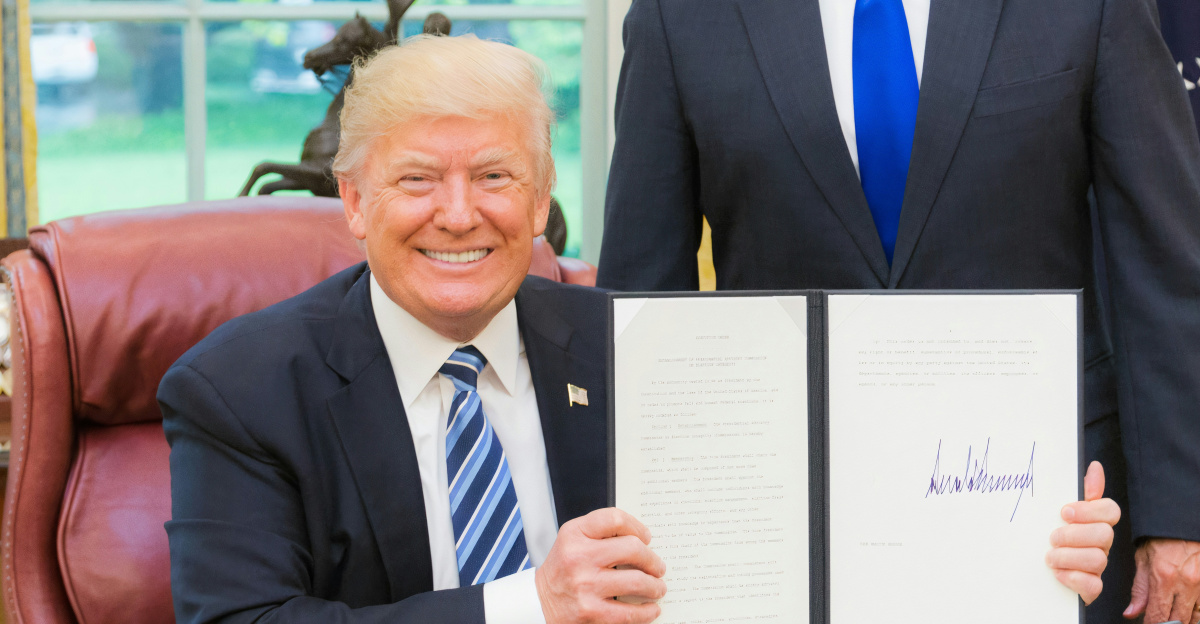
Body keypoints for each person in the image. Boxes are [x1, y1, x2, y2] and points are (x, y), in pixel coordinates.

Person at [160, 34, 1121, 624]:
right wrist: (527, 609)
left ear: (541, 204)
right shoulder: (239, 391)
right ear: (356, 201)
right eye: (417, 180)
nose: (459, 214)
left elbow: (815, 539)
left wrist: (1016, 554)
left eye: (496, 177)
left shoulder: (646, 353)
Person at [597, 1, 1200, 622]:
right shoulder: (679, 15)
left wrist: (1180, 516)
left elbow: (1162, 265)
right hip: (784, 536)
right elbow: (641, 308)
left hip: (1055, 533)